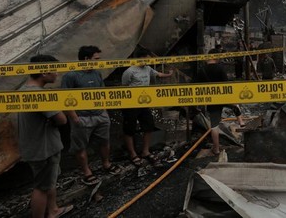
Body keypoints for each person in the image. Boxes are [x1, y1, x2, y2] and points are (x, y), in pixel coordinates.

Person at [17, 54, 73, 218]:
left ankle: (53, 209)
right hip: (43, 148)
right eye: (54, 70)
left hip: (37, 145)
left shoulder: (25, 88)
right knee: (41, 187)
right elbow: (62, 120)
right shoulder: (39, 95)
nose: (57, 73)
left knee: (49, 181)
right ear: (43, 73)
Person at [61, 46, 121, 186]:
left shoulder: (97, 73)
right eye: (96, 59)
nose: (99, 61)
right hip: (82, 117)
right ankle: (87, 171)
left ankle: (106, 164)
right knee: (80, 147)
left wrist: (104, 110)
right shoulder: (71, 76)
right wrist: (74, 117)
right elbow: (64, 98)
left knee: (105, 142)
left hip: (100, 114)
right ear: (86, 59)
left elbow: (102, 92)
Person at [121, 48, 173, 167]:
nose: (148, 62)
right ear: (140, 58)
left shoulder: (148, 68)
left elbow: (158, 74)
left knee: (149, 126)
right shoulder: (130, 71)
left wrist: (168, 74)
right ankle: (133, 154)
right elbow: (123, 88)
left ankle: (145, 151)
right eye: (146, 59)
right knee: (129, 129)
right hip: (130, 104)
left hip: (144, 104)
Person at [194, 49, 244, 155]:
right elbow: (226, 85)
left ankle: (216, 149)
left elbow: (196, 87)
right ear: (216, 57)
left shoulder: (202, 70)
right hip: (222, 97)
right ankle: (241, 122)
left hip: (211, 100)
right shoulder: (220, 68)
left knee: (214, 125)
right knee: (236, 104)